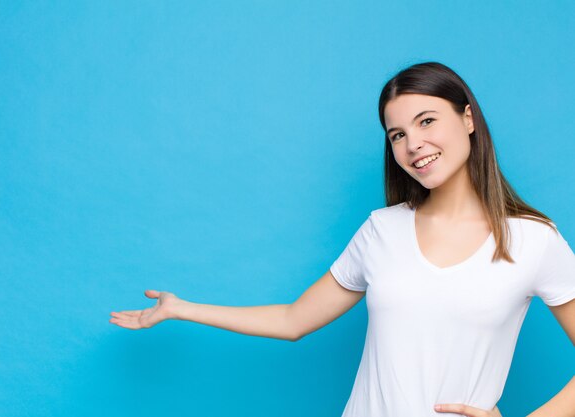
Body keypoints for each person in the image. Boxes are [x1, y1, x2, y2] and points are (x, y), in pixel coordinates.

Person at [110, 62, 575, 417]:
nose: (413, 144)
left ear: (468, 118)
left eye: (427, 121)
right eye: (397, 134)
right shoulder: (382, 229)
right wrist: (181, 308)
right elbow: (293, 319)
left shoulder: (533, 240)